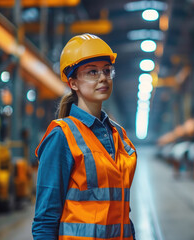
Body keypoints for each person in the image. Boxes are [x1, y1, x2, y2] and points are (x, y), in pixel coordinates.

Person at [32, 33, 137, 240]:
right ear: (73, 83)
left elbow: (121, 211)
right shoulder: (61, 136)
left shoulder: (118, 135)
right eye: (92, 72)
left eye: (107, 71)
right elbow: (45, 220)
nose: (103, 78)